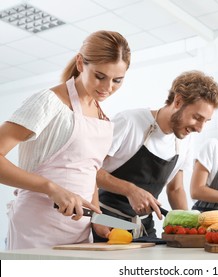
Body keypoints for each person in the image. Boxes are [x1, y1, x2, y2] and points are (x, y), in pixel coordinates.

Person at [1, 30, 131, 249]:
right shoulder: (49, 102)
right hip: (36, 229)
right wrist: (50, 187)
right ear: (80, 63)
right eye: (100, 76)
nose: (108, 88)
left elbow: (89, 174)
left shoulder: (102, 118)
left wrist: (96, 219)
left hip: (79, 231)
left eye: (117, 80)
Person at [94, 70, 218, 240]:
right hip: (108, 223)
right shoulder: (129, 122)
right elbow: (89, 170)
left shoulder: (184, 141)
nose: (199, 129)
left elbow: (176, 189)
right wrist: (130, 190)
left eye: (205, 121)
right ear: (178, 101)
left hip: (145, 228)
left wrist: (192, 228)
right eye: (196, 117)